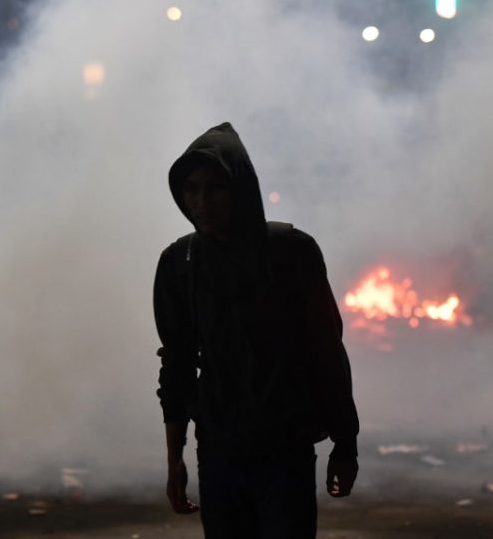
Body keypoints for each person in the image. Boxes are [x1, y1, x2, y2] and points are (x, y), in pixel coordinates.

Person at [153, 122, 359, 538]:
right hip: (219, 450)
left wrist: (345, 442)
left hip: (285, 449)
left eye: (215, 187)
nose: (201, 202)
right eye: (191, 189)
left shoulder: (291, 252)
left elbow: (325, 351)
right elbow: (176, 365)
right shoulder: (181, 262)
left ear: (240, 188)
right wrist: (175, 460)